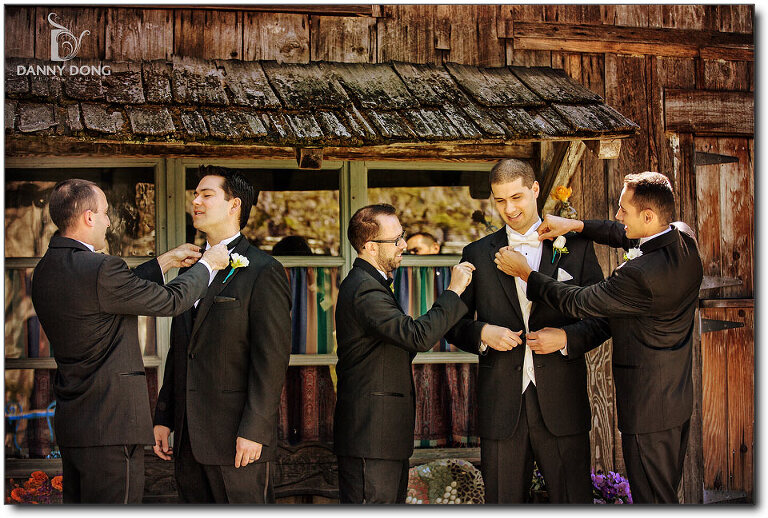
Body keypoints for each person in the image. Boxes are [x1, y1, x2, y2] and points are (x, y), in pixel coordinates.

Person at [495, 171, 703, 504]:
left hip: (647, 409)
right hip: (674, 399)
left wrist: (527, 273)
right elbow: (619, 234)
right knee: (663, 494)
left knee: (654, 501)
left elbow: (578, 301)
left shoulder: (640, 275)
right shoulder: (682, 236)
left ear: (648, 217)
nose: (618, 216)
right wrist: (576, 226)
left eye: (623, 210)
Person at [31, 178, 230, 504]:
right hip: (112, 424)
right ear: (89, 217)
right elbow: (170, 301)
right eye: (105, 213)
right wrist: (209, 265)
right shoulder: (100, 268)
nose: (109, 222)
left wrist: (167, 261)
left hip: (75, 425)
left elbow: (111, 293)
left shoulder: (46, 269)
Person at [446, 159, 610, 504]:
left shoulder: (576, 247)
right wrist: (482, 333)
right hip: (501, 407)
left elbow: (603, 317)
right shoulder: (477, 253)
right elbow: (453, 324)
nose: (509, 209)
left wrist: (566, 338)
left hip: (562, 404)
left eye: (516, 197)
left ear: (535, 190)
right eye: (500, 200)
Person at [153, 166, 292, 503]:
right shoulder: (192, 269)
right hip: (187, 438)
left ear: (234, 205)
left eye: (207, 195)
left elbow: (271, 360)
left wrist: (255, 429)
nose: (196, 201)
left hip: (238, 439)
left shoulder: (263, 270)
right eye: (195, 195)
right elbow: (181, 349)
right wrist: (165, 416)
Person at [333, 204, 475, 503]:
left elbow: (400, 344)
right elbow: (416, 337)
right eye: (396, 239)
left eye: (403, 235)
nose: (404, 244)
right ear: (371, 246)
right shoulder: (364, 289)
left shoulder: (372, 284)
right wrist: (453, 291)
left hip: (381, 437)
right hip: (371, 437)